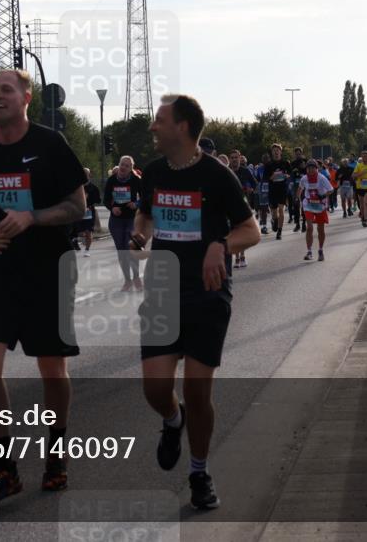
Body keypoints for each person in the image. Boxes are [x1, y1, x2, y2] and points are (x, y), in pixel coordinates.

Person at [0, 69, 86, 505]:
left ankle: (56, 456)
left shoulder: (50, 145)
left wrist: (32, 217)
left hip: (48, 267)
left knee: (52, 369)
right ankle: (4, 469)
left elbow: (78, 206)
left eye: (6, 90)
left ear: (26, 98)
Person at [131, 94, 259, 510]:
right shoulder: (151, 173)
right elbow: (146, 214)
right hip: (163, 289)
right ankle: (173, 420)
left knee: (198, 387)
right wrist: (140, 232)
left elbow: (250, 229)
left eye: (159, 120)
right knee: (155, 387)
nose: (152, 127)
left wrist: (220, 245)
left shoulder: (217, 176)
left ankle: (199, 472)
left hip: (207, 290)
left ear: (182, 127)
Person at [104, 155, 143, 292]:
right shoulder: (111, 180)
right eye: (122, 164)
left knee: (131, 249)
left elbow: (146, 197)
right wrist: (112, 208)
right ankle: (127, 281)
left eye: (127, 165)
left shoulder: (136, 181)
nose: (123, 167)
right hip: (116, 221)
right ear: (119, 164)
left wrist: (137, 203)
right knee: (121, 252)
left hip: (131, 219)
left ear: (131, 168)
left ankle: (136, 277)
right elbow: (106, 199)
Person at [295, 159, 333, 261]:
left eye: (312, 168)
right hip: (308, 205)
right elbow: (300, 188)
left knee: (320, 229)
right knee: (309, 227)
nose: (310, 170)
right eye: (308, 168)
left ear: (317, 169)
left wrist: (323, 195)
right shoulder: (304, 178)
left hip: (320, 206)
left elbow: (331, 189)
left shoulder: (322, 178)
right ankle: (309, 251)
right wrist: (297, 198)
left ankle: (320, 250)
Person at [227, 150, 255, 268]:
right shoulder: (226, 171)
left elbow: (254, 184)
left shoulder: (246, 171)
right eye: (232, 157)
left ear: (240, 158)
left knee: (241, 231)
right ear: (230, 159)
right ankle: (237, 258)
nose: (234, 159)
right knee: (233, 232)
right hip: (229, 205)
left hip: (244, 205)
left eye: (236, 157)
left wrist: (251, 189)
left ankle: (242, 257)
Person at [263, 144, 291, 240]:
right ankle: (274, 220)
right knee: (274, 213)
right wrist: (272, 176)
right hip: (272, 190)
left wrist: (287, 176)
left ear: (280, 152)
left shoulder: (285, 163)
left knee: (281, 210)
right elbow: (265, 178)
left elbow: (290, 174)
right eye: (274, 150)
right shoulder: (268, 165)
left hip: (282, 189)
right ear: (272, 153)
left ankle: (279, 231)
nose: (276, 152)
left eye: (277, 150)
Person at [77, 168, 101, 257]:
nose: (84, 176)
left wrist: (89, 204)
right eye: (82, 174)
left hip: (89, 212)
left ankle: (87, 249)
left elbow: (98, 200)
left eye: (86, 174)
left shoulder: (94, 188)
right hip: (78, 212)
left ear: (89, 175)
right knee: (79, 232)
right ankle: (83, 239)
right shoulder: (77, 187)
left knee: (88, 231)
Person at [352, 151, 367, 228]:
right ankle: (363, 217)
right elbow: (353, 176)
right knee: (362, 205)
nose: (363, 158)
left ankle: (365, 220)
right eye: (362, 156)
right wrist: (361, 173)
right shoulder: (359, 166)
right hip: (360, 187)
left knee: (366, 203)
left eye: (365, 156)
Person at [287, 147, 307, 232]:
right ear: (294, 154)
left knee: (304, 204)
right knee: (296, 204)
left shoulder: (306, 161)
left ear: (301, 153)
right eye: (296, 154)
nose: (298, 155)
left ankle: (304, 224)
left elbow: (310, 172)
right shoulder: (292, 163)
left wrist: (304, 169)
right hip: (296, 186)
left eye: (299, 153)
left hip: (305, 185)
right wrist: (290, 182)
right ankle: (297, 224)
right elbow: (289, 174)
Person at [254, 154, 271, 235]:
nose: (265, 160)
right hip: (263, 190)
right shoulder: (259, 169)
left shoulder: (272, 167)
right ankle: (264, 226)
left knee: (273, 207)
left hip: (272, 189)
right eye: (264, 159)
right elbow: (257, 179)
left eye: (267, 159)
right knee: (263, 209)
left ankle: (274, 219)